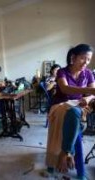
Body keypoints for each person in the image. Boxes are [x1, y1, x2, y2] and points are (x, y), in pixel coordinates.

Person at [46, 44, 95, 180]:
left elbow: (92, 95)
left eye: (89, 59)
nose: (86, 62)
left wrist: (88, 96)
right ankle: (69, 153)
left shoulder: (88, 74)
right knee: (72, 116)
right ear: (74, 57)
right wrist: (90, 91)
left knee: (74, 113)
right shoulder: (62, 72)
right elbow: (66, 89)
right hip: (59, 105)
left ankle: (64, 153)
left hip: (79, 105)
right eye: (83, 58)